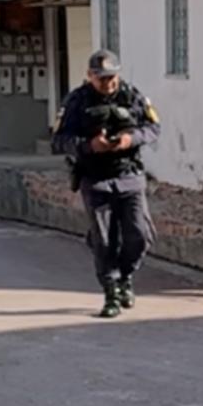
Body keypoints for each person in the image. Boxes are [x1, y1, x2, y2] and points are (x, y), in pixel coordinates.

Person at [51, 49, 161, 318]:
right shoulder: (77, 101)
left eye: (112, 78)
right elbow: (59, 140)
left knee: (140, 235)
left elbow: (153, 128)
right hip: (95, 178)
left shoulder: (131, 96)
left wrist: (129, 139)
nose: (108, 83)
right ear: (89, 76)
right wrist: (89, 145)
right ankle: (111, 291)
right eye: (101, 78)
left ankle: (125, 275)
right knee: (103, 239)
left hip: (129, 175)